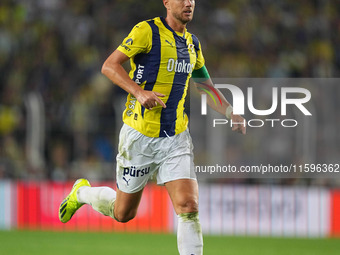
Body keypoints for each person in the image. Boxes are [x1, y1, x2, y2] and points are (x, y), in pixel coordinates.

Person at [59, 0, 246, 254]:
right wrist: (138, 92)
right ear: (167, 2)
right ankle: (81, 193)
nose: (189, 2)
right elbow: (109, 66)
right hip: (140, 136)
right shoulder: (147, 31)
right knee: (123, 213)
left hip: (176, 137)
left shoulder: (193, 44)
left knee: (188, 206)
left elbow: (204, 85)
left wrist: (229, 111)